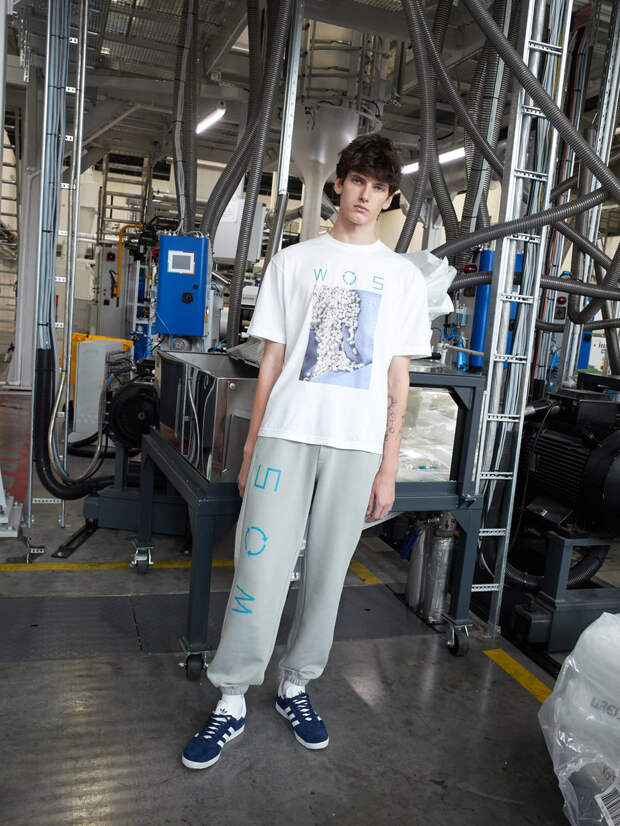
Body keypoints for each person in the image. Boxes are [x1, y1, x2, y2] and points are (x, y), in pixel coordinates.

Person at [182, 133, 432, 769]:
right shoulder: (293, 263)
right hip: (285, 436)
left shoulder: (402, 278)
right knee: (258, 570)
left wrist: (388, 464)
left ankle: (296, 683)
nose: (366, 196)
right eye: (358, 181)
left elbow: (398, 375)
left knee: (327, 573)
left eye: (379, 187)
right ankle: (232, 695)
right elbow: (271, 360)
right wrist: (250, 448)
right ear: (339, 184)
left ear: (389, 198)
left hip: (356, 446)